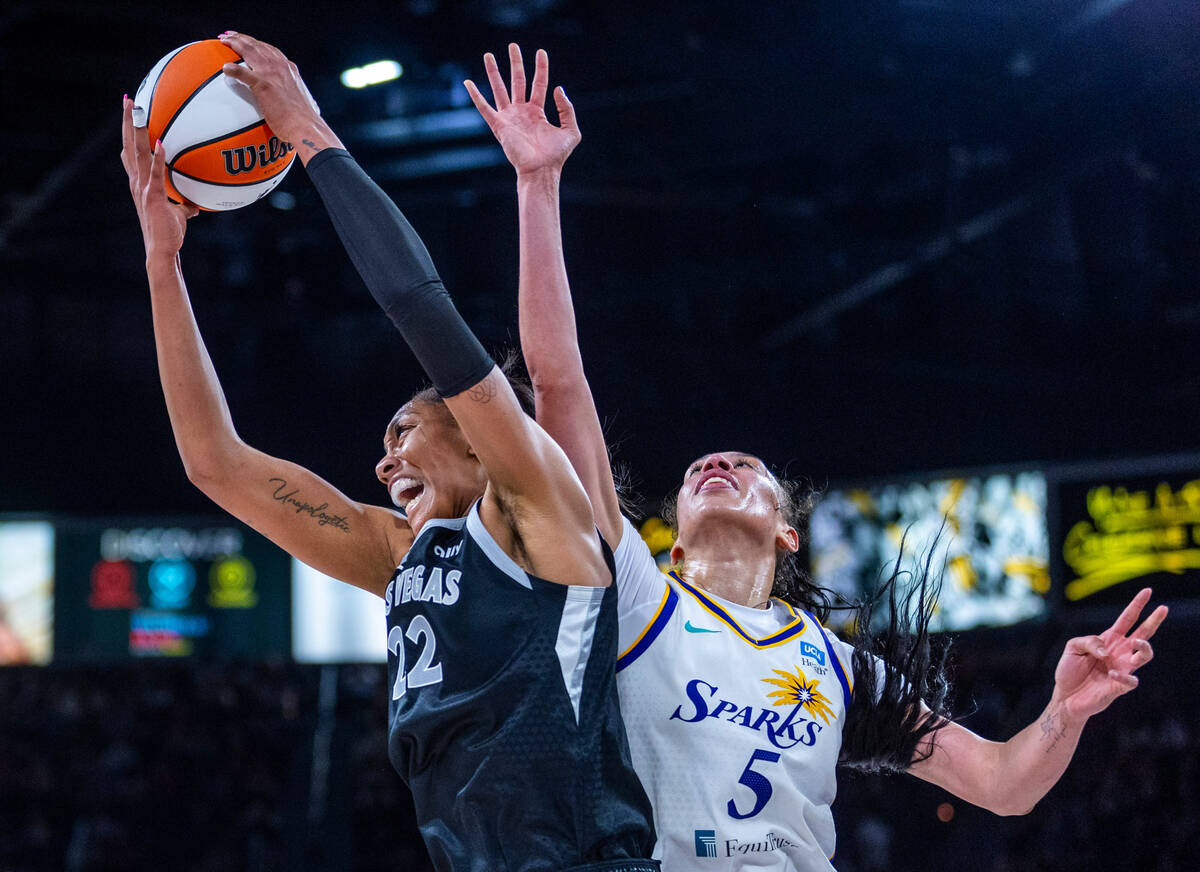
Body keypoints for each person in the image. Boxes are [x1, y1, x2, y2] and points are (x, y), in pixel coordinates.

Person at [463, 44, 1171, 869]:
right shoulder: (637, 595)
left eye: (743, 466)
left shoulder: (835, 664)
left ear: (788, 532)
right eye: (696, 471)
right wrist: (537, 184)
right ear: (675, 540)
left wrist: (1064, 713)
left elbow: (1003, 784)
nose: (713, 465)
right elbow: (559, 385)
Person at [120, 32, 658, 871]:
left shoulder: (539, 509)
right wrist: (162, 262)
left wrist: (310, 136)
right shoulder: (400, 555)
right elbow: (214, 463)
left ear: (480, 442)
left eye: (402, 429)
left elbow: (419, 308)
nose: (382, 462)